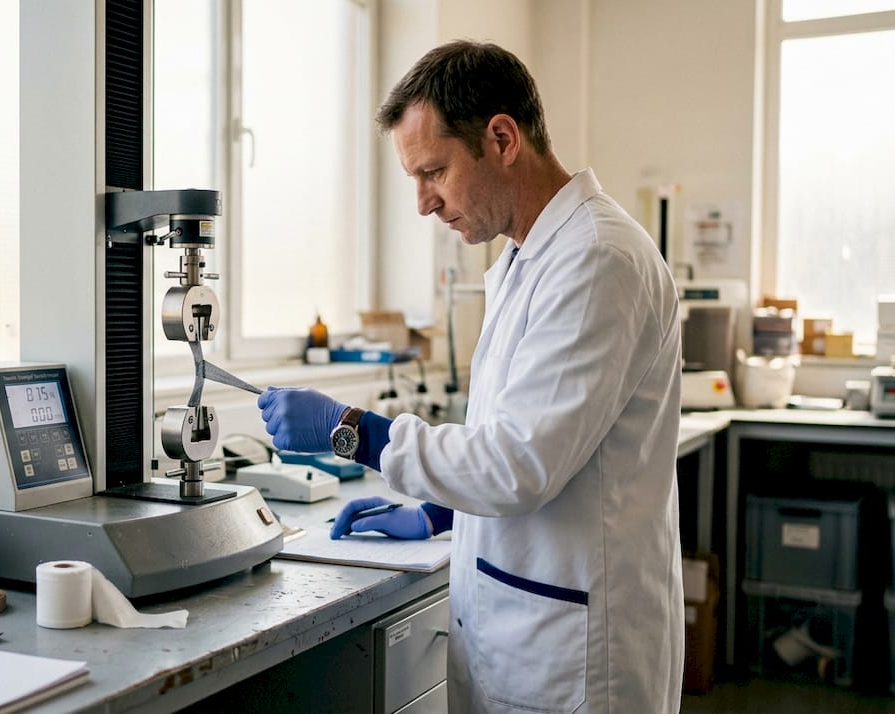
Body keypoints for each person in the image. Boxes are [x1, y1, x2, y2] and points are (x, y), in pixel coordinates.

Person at [257, 40, 684, 713]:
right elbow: (526, 438)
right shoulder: (527, 258)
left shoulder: (598, 259)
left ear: (503, 138)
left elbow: (518, 464)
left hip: (574, 656)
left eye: (435, 172)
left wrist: (353, 431)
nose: (425, 203)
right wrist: (437, 508)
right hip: (522, 625)